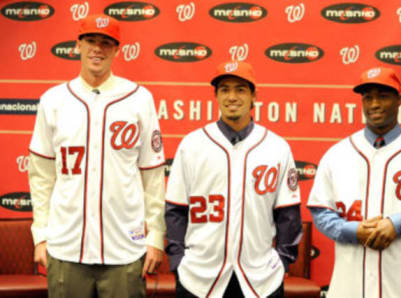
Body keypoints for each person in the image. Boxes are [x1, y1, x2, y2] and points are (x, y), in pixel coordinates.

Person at [28, 14, 166, 298]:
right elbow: (41, 176)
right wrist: (40, 234)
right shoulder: (53, 100)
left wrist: (154, 237)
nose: (97, 49)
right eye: (91, 41)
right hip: (66, 247)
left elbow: (152, 176)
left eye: (106, 43)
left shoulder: (139, 99)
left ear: (117, 50)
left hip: (125, 248)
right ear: (78, 45)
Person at [307, 67, 401, 298]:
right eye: (368, 97)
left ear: (400, 100)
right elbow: (320, 212)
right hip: (349, 285)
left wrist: (398, 224)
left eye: (383, 96)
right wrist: (352, 230)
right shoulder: (337, 154)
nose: (374, 104)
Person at [165, 61, 303, 298]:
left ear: (254, 96)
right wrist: (179, 261)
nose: (232, 97)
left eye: (240, 89)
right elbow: (176, 210)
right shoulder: (192, 144)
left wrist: (282, 261)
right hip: (199, 277)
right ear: (216, 96)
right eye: (225, 89)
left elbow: (288, 214)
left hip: (260, 279)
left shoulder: (276, 147)